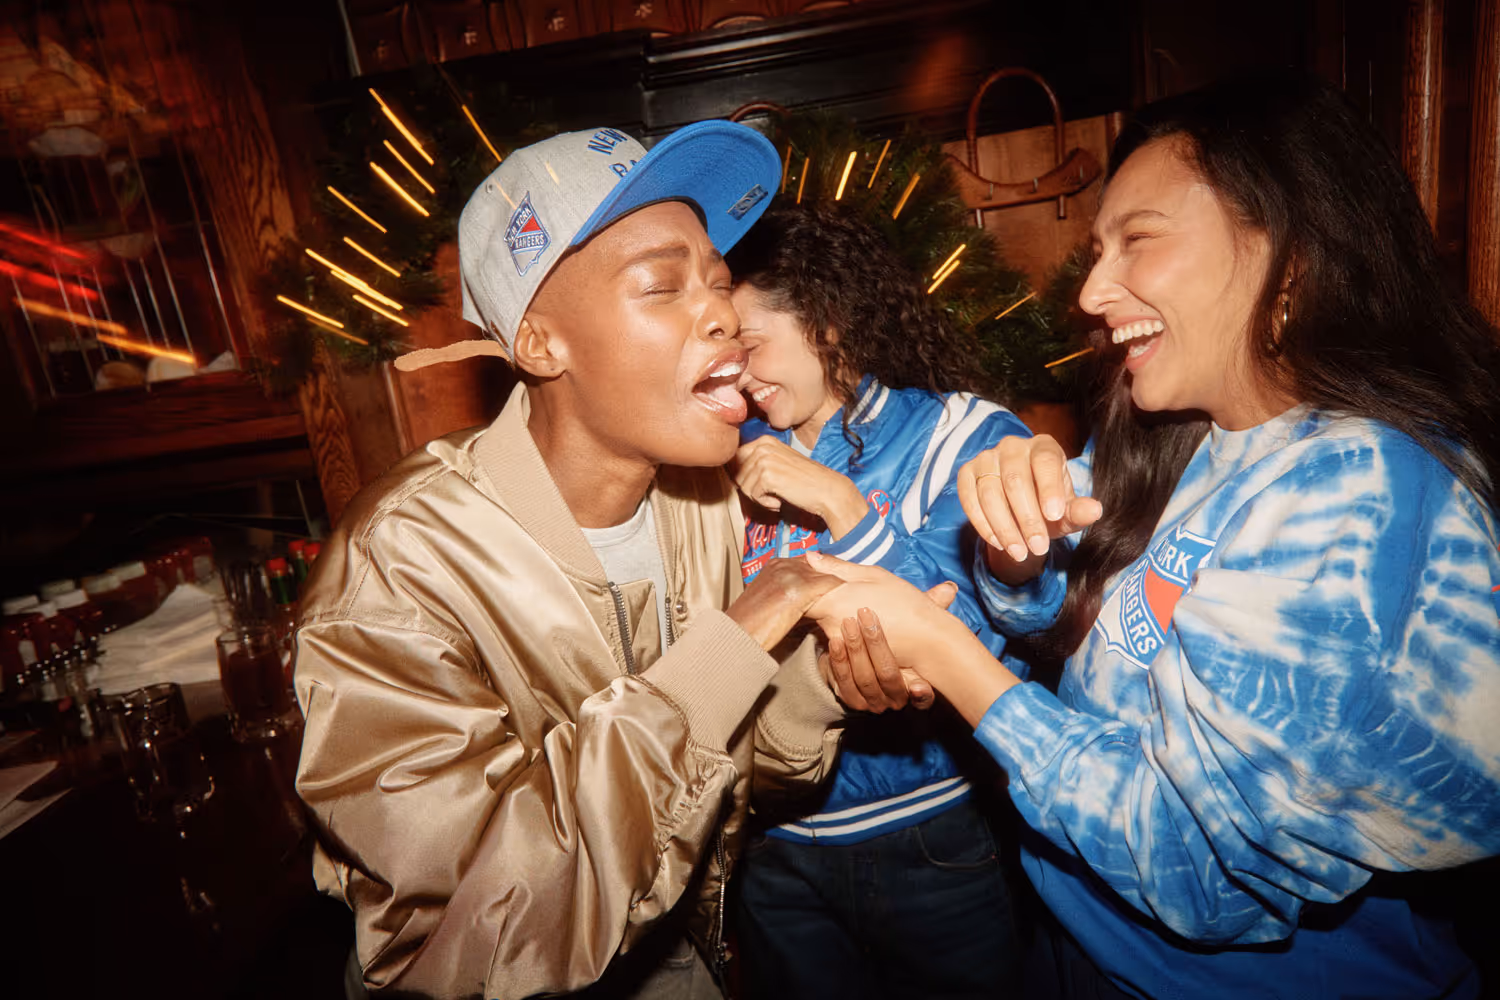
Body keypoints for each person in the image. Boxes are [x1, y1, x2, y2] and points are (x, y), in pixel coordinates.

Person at [802, 73, 1500, 1000]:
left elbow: (1203, 875)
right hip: (1095, 947)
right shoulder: (1203, 432)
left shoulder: (1361, 487)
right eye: (1098, 249)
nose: (1093, 291)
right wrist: (1016, 552)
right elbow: (1072, 605)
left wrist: (956, 657)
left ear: (1290, 253)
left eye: (1139, 240)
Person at [292, 122, 861, 1000]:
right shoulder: (400, 562)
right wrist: (733, 643)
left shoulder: (706, 504)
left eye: (717, 281)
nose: (724, 314)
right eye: (660, 285)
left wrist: (820, 675)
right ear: (539, 345)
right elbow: (480, 931)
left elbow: (742, 781)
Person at [725, 205, 1031, 998]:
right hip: (772, 855)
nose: (742, 375)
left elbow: (976, 645)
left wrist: (845, 509)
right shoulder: (725, 458)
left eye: (751, 343)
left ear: (826, 320)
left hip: (928, 842)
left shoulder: (960, 435)